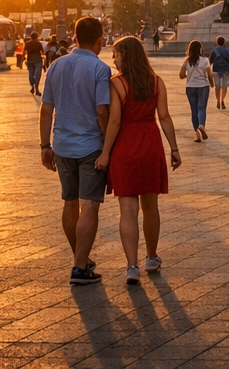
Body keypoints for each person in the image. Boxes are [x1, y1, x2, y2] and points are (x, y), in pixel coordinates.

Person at [93, 36, 180, 285]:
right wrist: (174, 148)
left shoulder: (117, 84)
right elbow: (164, 117)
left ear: (126, 56)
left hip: (125, 145)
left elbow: (115, 121)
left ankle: (132, 266)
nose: (113, 58)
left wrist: (106, 152)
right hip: (151, 143)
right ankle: (151, 257)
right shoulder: (156, 82)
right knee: (150, 206)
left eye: (117, 54)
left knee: (127, 209)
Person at [38, 16, 112, 285]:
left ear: (75, 36)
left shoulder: (56, 65)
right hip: (91, 145)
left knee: (70, 202)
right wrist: (108, 143)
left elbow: (46, 109)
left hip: (62, 145)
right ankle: (80, 267)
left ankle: (79, 258)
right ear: (100, 39)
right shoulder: (100, 69)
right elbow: (101, 110)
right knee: (89, 205)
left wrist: (45, 145)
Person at [179, 40, 213, 143]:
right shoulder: (205, 60)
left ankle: (197, 134)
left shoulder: (186, 60)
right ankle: (201, 125)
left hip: (190, 87)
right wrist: (212, 83)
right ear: (200, 49)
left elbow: (181, 75)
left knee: (194, 111)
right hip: (203, 86)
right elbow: (209, 75)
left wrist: (188, 75)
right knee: (202, 108)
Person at [209, 36, 229, 110]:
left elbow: (210, 61)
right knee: (224, 87)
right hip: (225, 70)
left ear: (217, 42)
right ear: (224, 42)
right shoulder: (226, 51)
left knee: (217, 86)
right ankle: (222, 100)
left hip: (216, 70)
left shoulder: (214, 50)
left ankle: (218, 101)